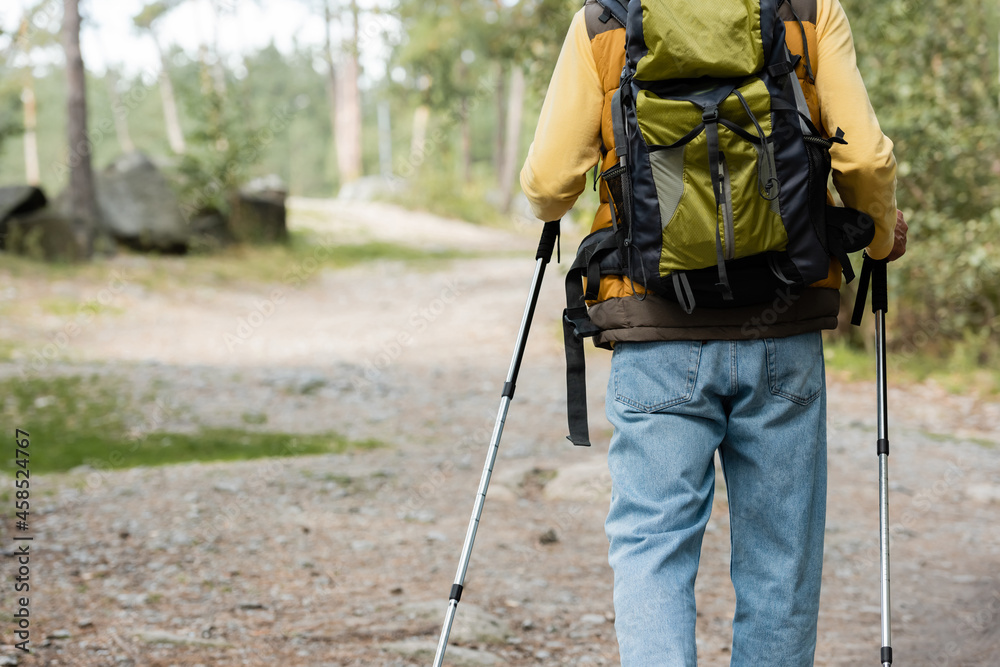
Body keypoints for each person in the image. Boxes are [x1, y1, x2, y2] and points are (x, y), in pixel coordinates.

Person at [520, 0, 908, 664]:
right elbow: (866, 162)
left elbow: (549, 183)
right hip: (782, 326)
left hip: (655, 329)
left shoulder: (605, 22)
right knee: (780, 558)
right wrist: (876, 237)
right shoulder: (809, 11)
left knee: (652, 546)